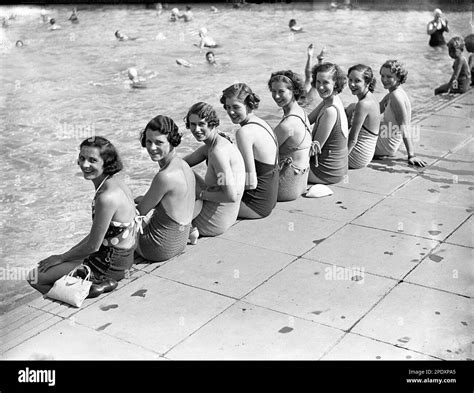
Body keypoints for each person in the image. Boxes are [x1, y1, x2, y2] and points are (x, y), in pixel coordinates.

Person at [27, 137, 137, 297]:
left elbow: (93, 247)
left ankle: (79, 295)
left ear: (106, 162)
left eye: (92, 160)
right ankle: (82, 289)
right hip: (122, 258)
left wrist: (60, 258)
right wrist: (65, 257)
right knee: (59, 264)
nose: (85, 165)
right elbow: (102, 235)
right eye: (82, 158)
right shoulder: (116, 183)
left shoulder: (106, 196)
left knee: (34, 278)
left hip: (109, 265)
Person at [135, 115, 195, 262]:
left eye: (159, 143)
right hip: (179, 242)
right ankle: (193, 231)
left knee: (110, 209)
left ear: (172, 142)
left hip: (157, 248)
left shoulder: (164, 176)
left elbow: (138, 214)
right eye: (148, 141)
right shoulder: (183, 165)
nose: (152, 148)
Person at [183, 102, 245, 242]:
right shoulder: (212, 145)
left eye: (201, 124)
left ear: (212, 124)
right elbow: (182, 164)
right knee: (182, 171)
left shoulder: (218, 152)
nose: (196, 129)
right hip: (225, 216)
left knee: (181, 175)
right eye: (193, 124)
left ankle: (189, 226)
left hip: (214, 221)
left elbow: (230, 196)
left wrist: (200, 194)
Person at [221, 83, 279, 217]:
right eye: (228, 107)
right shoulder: (262, 123)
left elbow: (250, 182)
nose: (231, 112)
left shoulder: (244, 132)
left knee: (202, 196)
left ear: (249, 105)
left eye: (236, 107)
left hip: (254, 205)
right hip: (269, 200)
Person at [268, 71, 312, 201]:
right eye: (273, 91)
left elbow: (265, 152)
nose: (276, 96)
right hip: (300, 182)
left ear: (294, 91)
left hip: (286, 187)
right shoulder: (301, 112)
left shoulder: (288, 124)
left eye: (281, 91)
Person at [375, 60, 426, 167]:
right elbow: (375, 111)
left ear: (399, 77)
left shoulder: (395, 96)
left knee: (344, 142)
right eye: (382, 76)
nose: (384, 80)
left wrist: (411, 155)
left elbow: (404, 126)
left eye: (389, 77)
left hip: (385, 145)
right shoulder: (394, 92)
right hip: (385, 136)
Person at [308, 63, 349, 184]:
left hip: (326, 173)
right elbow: (306, 121)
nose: (320, 87)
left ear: (336, 83)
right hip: (336, 170)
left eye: (325, 82)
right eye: (318, 82)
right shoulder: (330, 100)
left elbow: (314, 150)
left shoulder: (330, 111)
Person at [345, 64, 380, 169]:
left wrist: (340, 160)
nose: (352, 84)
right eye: (350, 80)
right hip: (366, 154)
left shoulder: (363, 104)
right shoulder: (371, 98)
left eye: (357, 81)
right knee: (350, 107)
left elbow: (353, 139)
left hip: (357, 156)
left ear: (368, 82)